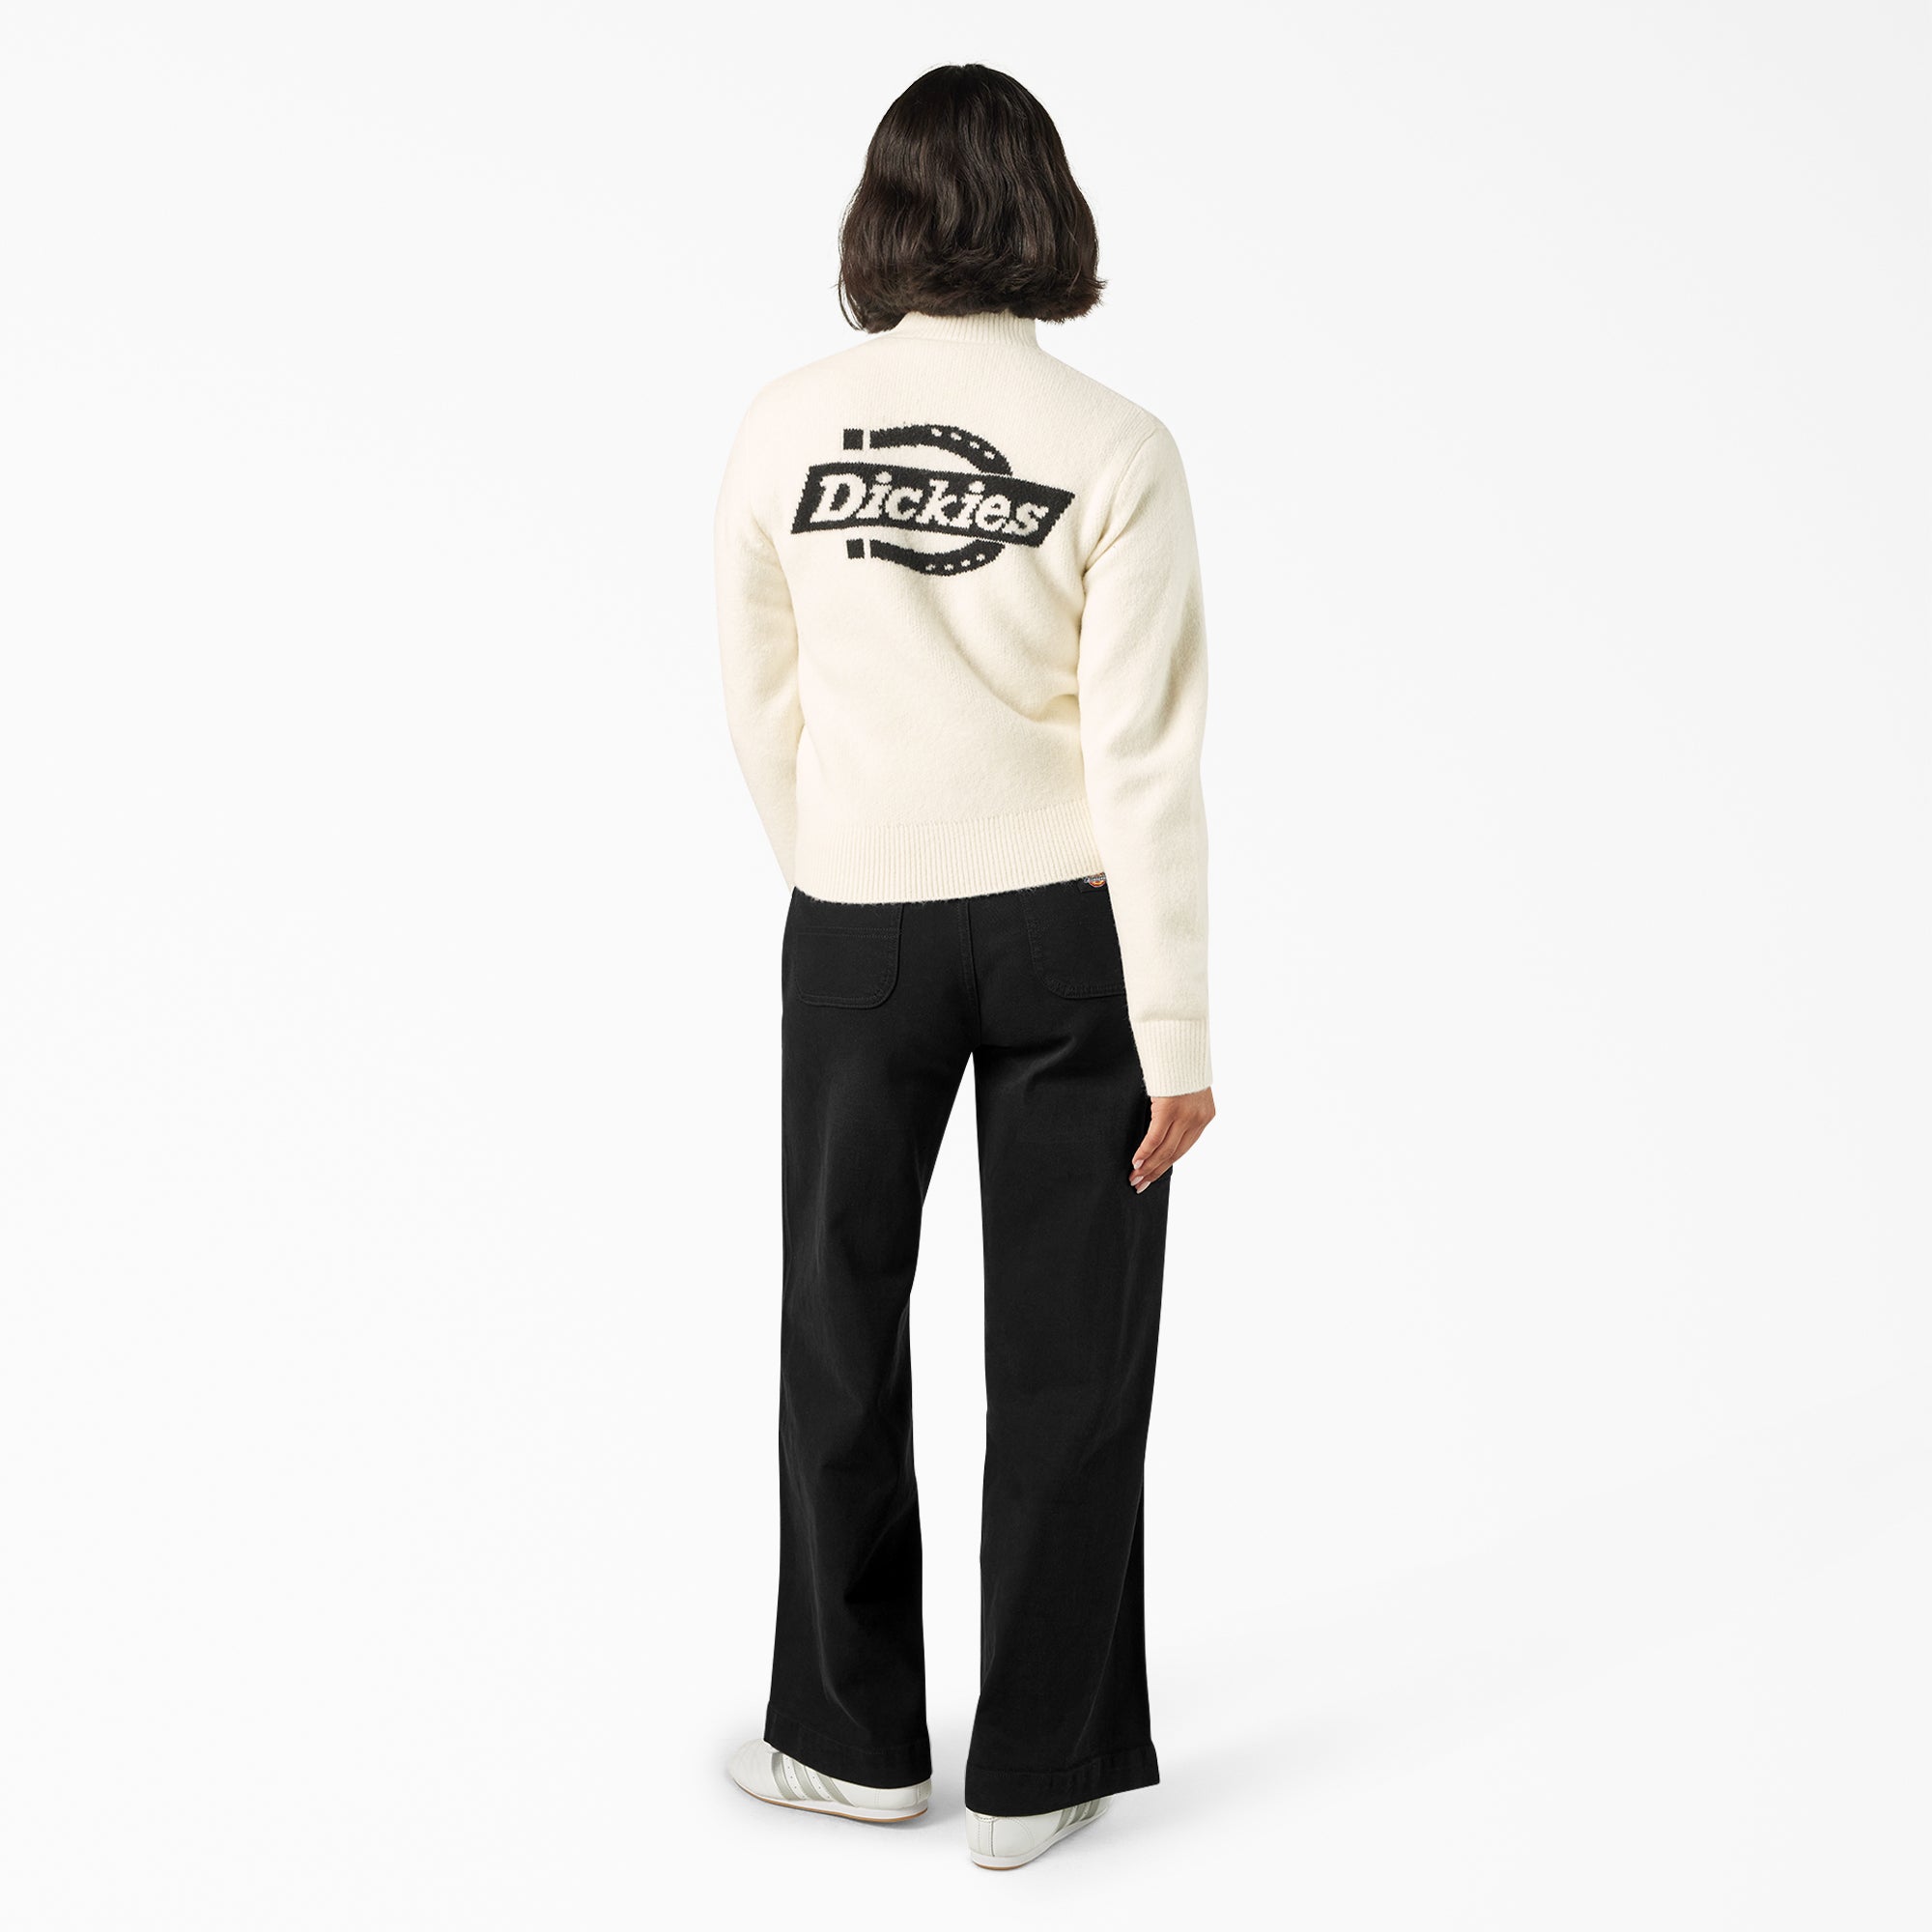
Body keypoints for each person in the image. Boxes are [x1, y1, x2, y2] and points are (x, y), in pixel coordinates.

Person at [713, 63, 1215, 1871]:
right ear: (1046, 209)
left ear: (884, 212)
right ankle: (1034, 1771)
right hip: (1075, 932)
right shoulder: (1119, 445)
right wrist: (1176, 1025)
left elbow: (760, 694)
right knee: (1075, 1351)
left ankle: (851, 1744)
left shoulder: (788, 426)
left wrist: (841, 863)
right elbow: (1142, 755)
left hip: (855, 927)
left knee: (838, 1324)